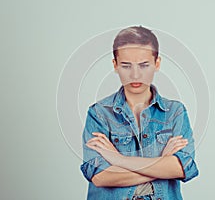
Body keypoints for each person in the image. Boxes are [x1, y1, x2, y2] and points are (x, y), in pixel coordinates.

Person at [80, 26, 199, 200]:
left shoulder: (175, 113)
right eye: (126, 66)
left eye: (144, 65)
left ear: (157, 63)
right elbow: (101, 176)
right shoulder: (98, 114)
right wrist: (161, 163)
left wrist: (118, 159)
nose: (135, 75)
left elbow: (181, 168)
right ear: (115, 65)